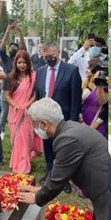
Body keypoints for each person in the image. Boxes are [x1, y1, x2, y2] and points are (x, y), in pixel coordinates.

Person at [17, 98, 108, 220]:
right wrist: (41, 189)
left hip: (106, 195)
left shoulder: (68, 139)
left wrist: (37, 197)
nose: (34, 130)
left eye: (34, 125)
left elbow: (58, 178)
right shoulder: (70, 128)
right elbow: (62, 169)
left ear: (44, 124)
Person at [34, 43, 82, 183]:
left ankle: (64, 179)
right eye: (46, 57)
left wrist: (72, 121)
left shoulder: (71, 71)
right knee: (48, 147)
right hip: (45, 118)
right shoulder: (41, 71)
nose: (49, 59)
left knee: (63, 148)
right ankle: (50, 174)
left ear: (58, 53)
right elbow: (39, 94)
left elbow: (76, 98)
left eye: (52, 56)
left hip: (64, 119)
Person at [4, 50, 42, 174]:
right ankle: (18, 162)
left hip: (27, 112)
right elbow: (7, 96)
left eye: (24, 62)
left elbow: (35, 95)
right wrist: (16, 105)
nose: (22, 65)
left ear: (28, 63)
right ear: (15, 63)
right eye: (19, 62)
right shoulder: (10, 77)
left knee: (25, 138)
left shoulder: (33, 76)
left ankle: (23, 166)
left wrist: (26, 105)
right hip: (14, 113)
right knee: (16, 140)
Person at [0, 22, 26, 139]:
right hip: (6, 90)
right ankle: (2, 131)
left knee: (17, 112)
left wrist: (20, 32)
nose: (12, 48)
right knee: (4, 113)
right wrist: (7, 31)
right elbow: (2, 47)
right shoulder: (6, 59)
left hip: (18, 91)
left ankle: (18, 130)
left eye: (15, 46)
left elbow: (24, 48)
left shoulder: (20, 60)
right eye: (11, 46)